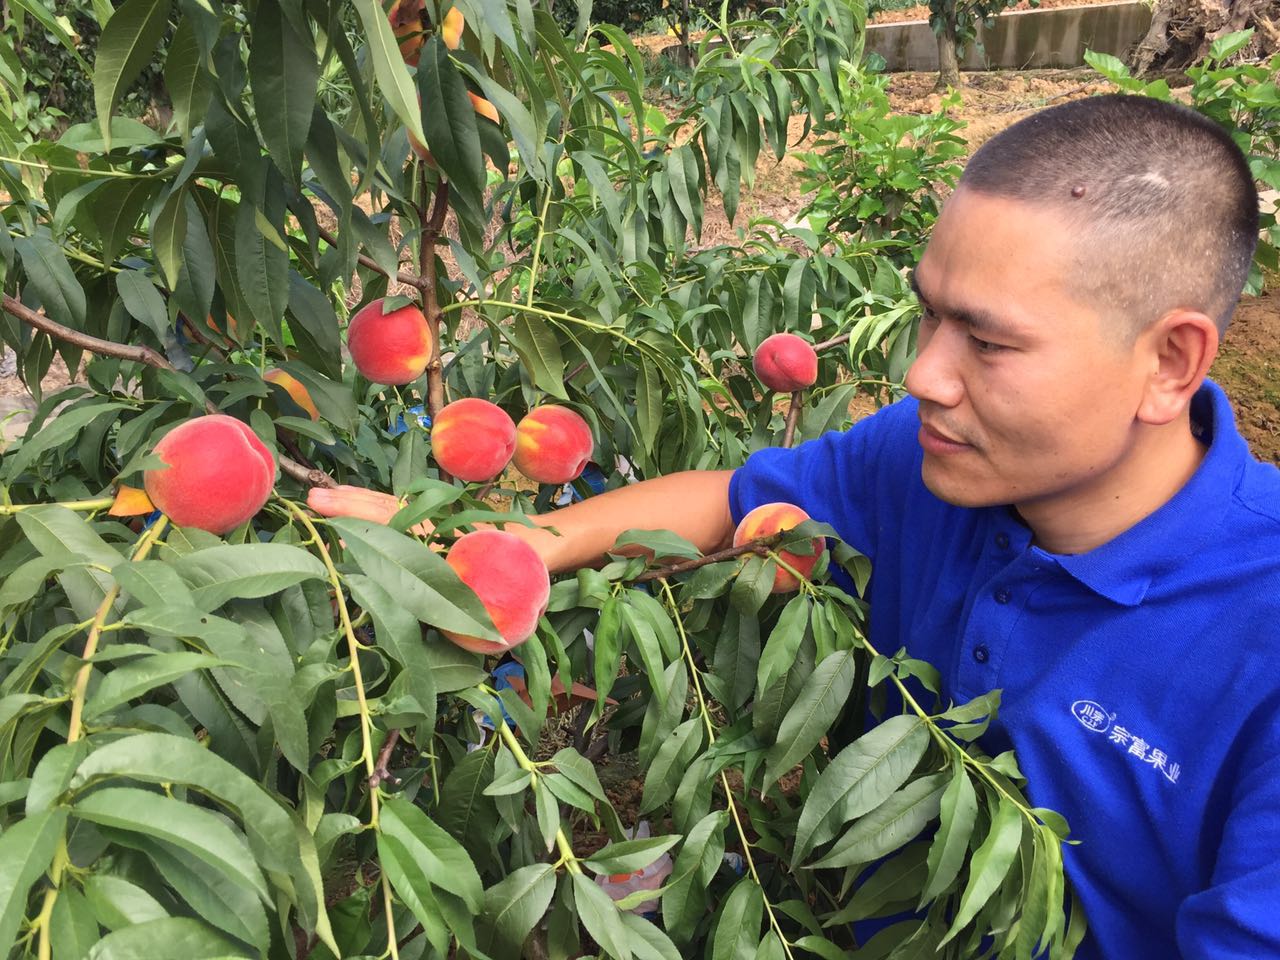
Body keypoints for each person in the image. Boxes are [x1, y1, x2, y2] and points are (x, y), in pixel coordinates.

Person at [311, 95, 1278, 959]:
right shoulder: (930, 456)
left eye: (986, 341)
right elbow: (730, 498)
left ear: (1169, 362)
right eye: (928, 315)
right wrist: (517, 546)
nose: (923, 377)